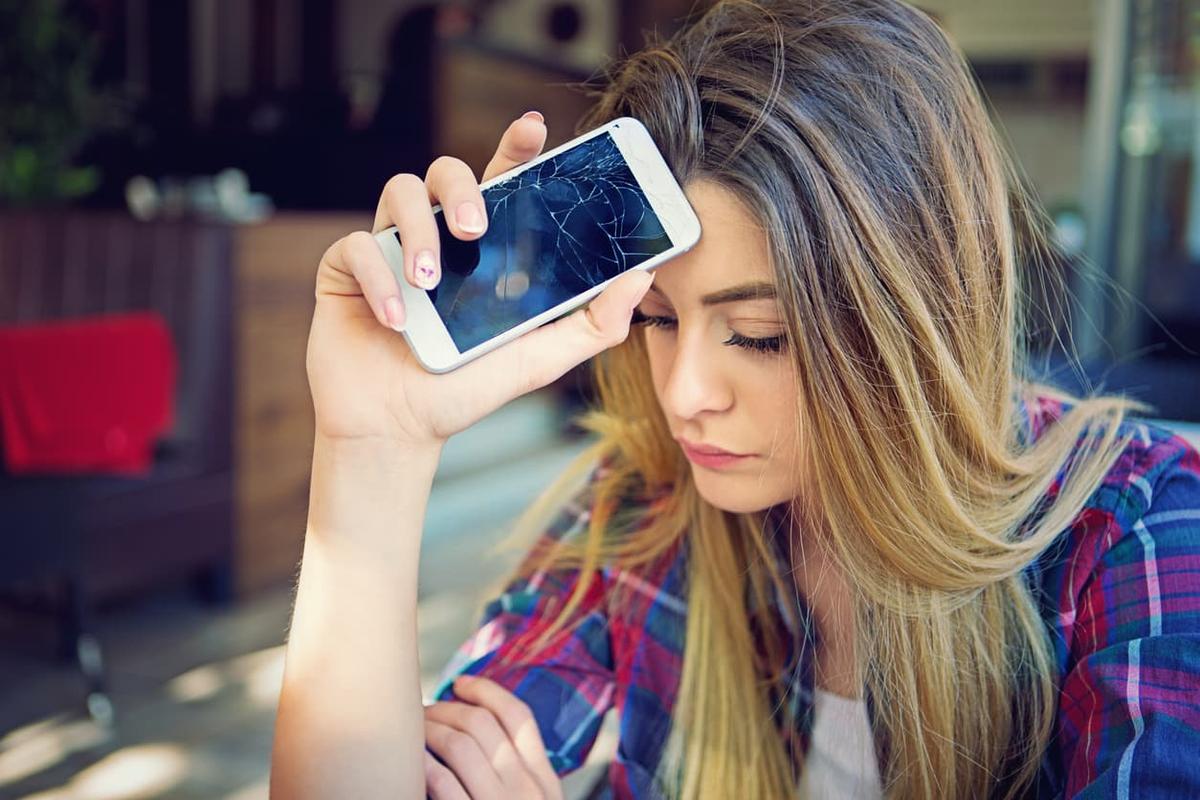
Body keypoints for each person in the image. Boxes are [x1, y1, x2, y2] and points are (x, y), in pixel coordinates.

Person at [269, 1, 1200, 798]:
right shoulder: (645, 513)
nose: (685, 396)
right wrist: (369, 452)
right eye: (657, 320)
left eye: (760, 336)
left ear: (920, 319)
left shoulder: (1145, 531)